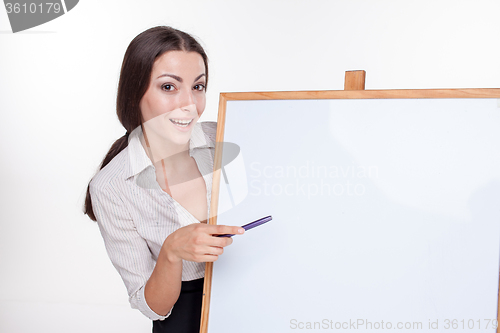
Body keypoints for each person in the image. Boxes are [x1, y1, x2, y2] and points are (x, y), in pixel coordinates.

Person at [83, 26, 244, 333]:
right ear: (135, 91)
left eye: (198, 87)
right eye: (169, 87)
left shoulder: (224, 135)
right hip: (182, 314)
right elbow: (152, 307)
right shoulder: (111, 186)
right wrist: (171, 251)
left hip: (251, 292)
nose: (189, 104)